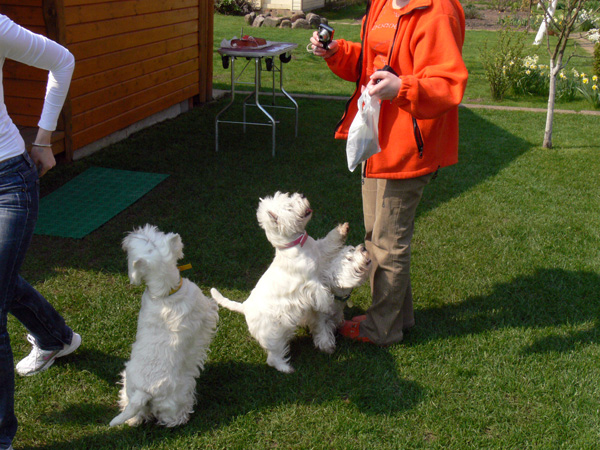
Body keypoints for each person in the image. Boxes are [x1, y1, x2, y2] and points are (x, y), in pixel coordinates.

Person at [310, 0, 468, 346]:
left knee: (389, 242)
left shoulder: (438, 11)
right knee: (377, 238)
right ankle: (398, 316)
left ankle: (382, 328)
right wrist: (338, 52)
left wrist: (402, 88)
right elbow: (372, 62)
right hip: (376, 141)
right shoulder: (382, 4)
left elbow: (448, 83)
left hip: (409, 146)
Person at [0, 14, 80, 450]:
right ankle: (55, 338)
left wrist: (44, 138)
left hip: (7, 181)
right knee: (3, 282)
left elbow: (62, 60)